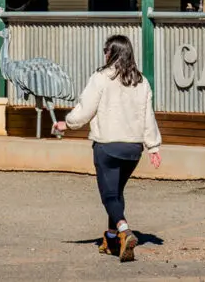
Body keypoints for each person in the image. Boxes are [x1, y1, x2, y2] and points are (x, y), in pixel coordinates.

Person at [54, 35, 162, 263]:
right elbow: (148, 116)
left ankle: (124, 231)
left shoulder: (101, 78)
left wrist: (68, 123)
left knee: (109, 194)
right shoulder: (141, 81)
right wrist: (153, 146)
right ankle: (112, 238)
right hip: (133, 150)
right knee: (117, 192)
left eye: (106, 50)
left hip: (107, 147)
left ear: (112, 53)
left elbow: (85, 109)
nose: (104, 54)